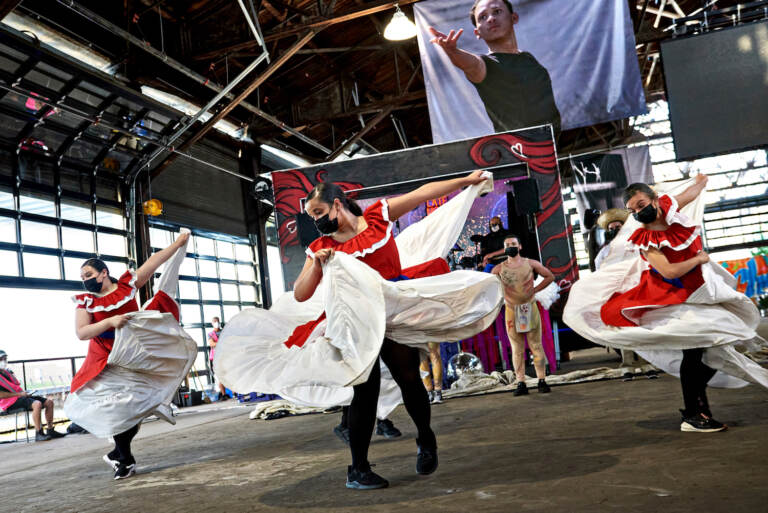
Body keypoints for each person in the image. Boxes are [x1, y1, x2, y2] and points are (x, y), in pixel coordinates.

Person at [215, 170, 503, 491]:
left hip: (393, 312)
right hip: (355, 322)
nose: (316, 221)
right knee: (364, 391)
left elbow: (423, 192)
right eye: (311, 216)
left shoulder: (378, 217)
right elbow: (301, 293)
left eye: (320, 213)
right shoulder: (321, 245)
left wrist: (466, 181)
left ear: (337, 205)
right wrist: (318, 265)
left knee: (408, 376)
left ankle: (425, 437)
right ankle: (358, 469)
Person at [564, 175, 768, 433]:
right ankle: (694, 414)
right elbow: (670, 272)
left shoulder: (671, 206)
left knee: (706, 347)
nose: (638, 212)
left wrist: (701, 181)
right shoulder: (644, 238)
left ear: (655, 200)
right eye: (633, 210)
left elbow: (689, 194)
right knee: (698, 348)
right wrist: (698, 259)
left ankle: (696, 410)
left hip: (699, 289)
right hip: (670, 295)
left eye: (641, 204)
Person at [67, 232, 195, 480]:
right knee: (118, 408)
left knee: (135, 408)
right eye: (82, 278)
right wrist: (110, 322)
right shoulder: (86, 302)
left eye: (89, 275)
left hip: (135, 355)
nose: (85, 281)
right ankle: (123, 458)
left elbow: (155, 261)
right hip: (106, 361)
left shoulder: (126, 286)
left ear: (103, 272)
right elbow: (82, 332)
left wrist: (178, 244)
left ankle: (119, 454)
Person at [429, 0, 561, 136]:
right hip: (518, 152)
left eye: (497, 12)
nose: (491, 19)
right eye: (483, 17)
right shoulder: (484, 65)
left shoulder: (528, 58)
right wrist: (452, 51)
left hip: (551, 149)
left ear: (513, 18)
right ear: (477, 32)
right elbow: (470, 64)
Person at [492, 235, 555, 395]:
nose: (510, 246)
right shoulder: (498, 269)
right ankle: (521, 382)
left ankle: (542, 380)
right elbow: (490, 287)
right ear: (504, 248)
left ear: (519, 246)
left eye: (513, 244)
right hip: (511, 310)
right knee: (517, 349)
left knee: (536, 345)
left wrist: (535, 289)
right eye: (507, 245)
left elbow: (550, 276)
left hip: (529, 308)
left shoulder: (530, 263)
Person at [0, 350, 65, 441]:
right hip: (9, 402)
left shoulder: (7, 372)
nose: (3, 361)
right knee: (37, 404)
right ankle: (39, 433)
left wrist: (23, 394)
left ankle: (50, 430)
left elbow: (15, 387)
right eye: (1, 359)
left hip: (20, 397)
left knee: (49, 402)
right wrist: (19, 394)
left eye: (5, 359)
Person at [207, 317, 228, 401]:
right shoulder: (210, 334)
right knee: (220, 376)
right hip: (216, 357)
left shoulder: (224, 331)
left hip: (225, 356)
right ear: (212, 323)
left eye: (217, 321)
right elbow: (211, 344)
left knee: (229, 374)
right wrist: (221, 342)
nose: (216, 323)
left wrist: (219, 343)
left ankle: (234, 393)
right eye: (215, 322)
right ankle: (224, 394)